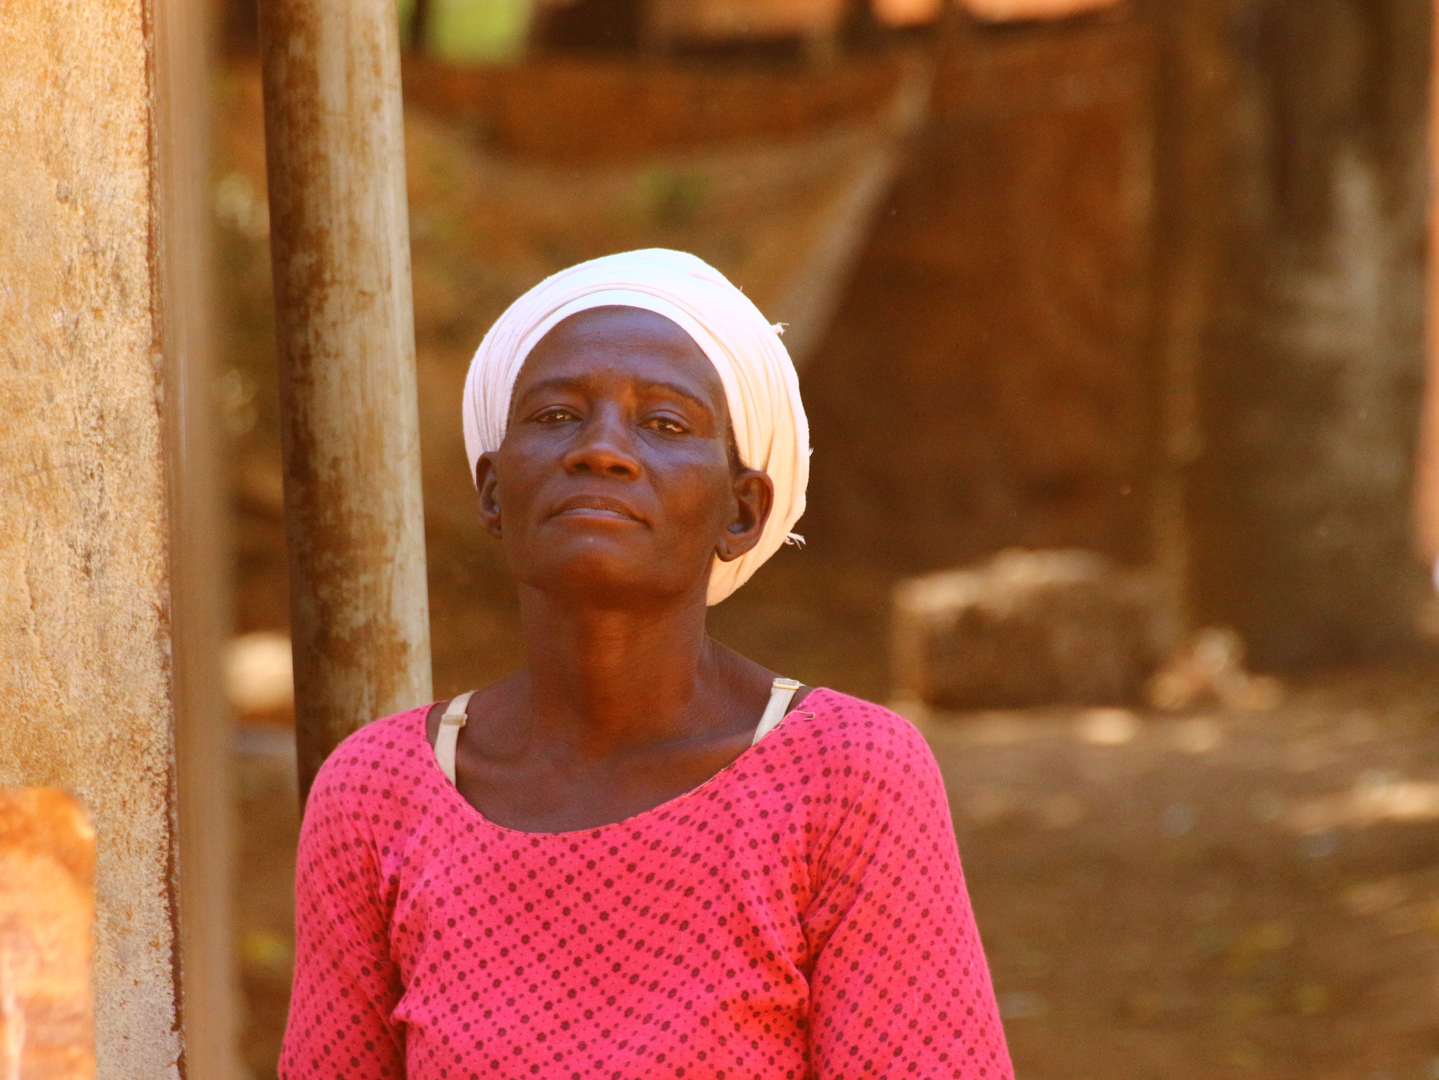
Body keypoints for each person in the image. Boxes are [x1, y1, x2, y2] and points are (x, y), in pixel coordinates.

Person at [280, 250, 1013, 1079]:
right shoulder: (379, 794)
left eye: (664, 424)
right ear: (492, 490)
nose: (601, 451)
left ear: (742, 511)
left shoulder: (844, 777)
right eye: (556, 416)